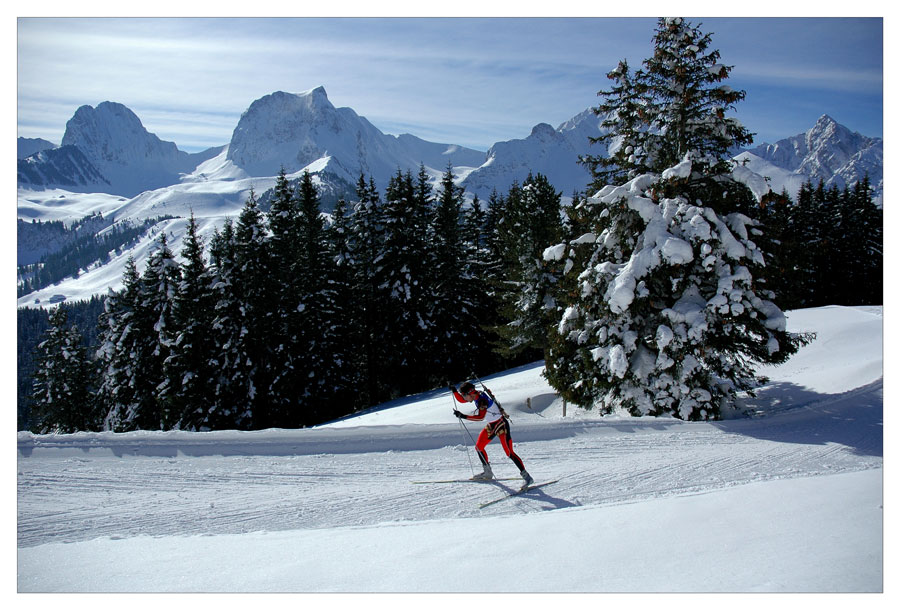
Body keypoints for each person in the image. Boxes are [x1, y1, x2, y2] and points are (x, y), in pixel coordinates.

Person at [450, 381, 533, 487]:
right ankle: (488, 472)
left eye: (465, 395)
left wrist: (463, 416)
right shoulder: (476, 395)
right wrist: (454, 391)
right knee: (479, 447)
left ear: (470, 393)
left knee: (509, 453)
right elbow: (461, 400)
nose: (464, 398)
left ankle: (527, 477)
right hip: (493, 425)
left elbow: (480, 417)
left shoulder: (482, 401)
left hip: (501, 425)